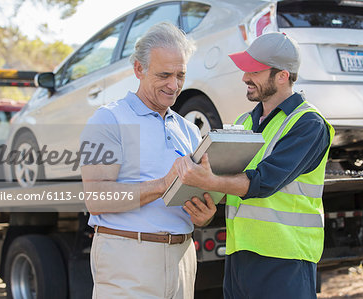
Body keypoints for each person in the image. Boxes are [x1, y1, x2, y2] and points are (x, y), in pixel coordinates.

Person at [173, 32, 334, 299]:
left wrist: (207, 181)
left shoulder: (308, 124)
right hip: (239, 257)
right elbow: (229, 186)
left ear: (282, 76)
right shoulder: (246, 122)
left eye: (254, 71)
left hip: (285, 260)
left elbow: (263, 181)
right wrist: (208, 207)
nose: (245, 77)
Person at [80, 22, 216, 299]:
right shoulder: (108, 120)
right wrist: (163, 184)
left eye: (181, 75)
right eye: (164, 74)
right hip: (127, 258)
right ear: (139, 69)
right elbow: (95, 197)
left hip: (183, 258)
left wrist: (205, 214)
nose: (174, 85)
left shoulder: (189, 130)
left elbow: (194, 198)